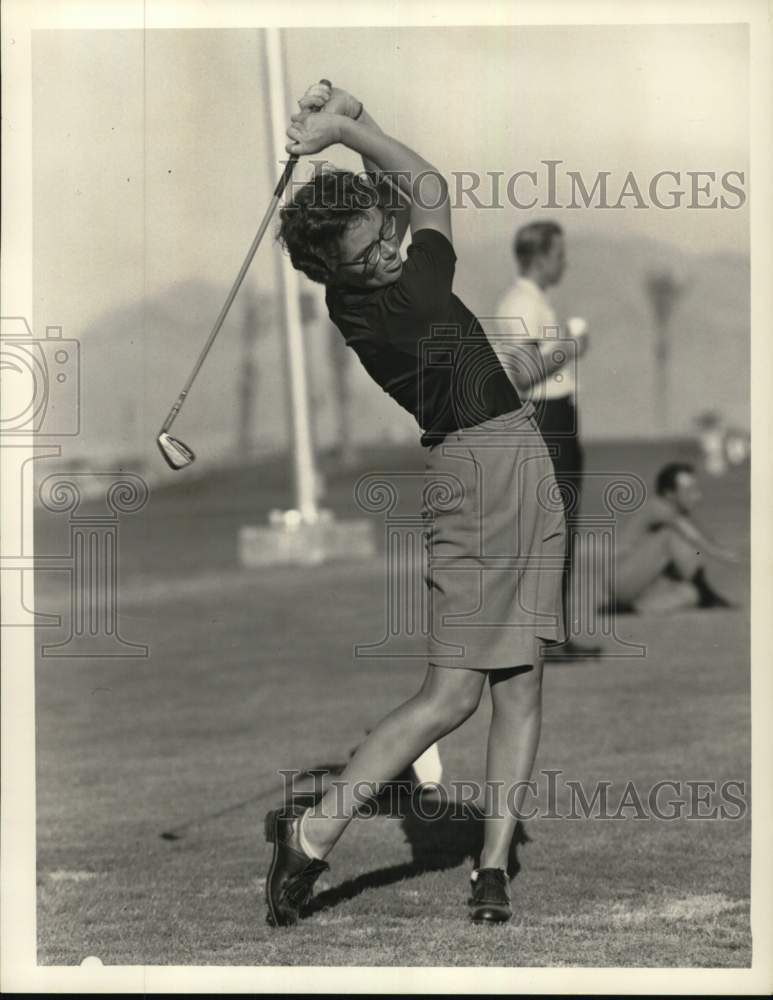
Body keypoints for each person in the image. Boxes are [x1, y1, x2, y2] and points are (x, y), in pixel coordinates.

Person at [262, 81, 567, 927]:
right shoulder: (405, 301)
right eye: (366, 257)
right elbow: (426, 184)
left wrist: (350, 127)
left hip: (520, 458)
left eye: (385, 241)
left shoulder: (358, 282)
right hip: (476, 475)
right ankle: (311, 835)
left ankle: (492, 867)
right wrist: (349, 131)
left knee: (523, 682)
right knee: (453, 695)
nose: (389, 255)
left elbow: (393, 198)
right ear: (335, 273)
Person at [494, 222, 599, 660]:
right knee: (550, 531)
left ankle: (551, 635)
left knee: (557, 528)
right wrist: (571, 347)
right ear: (540, 257)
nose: (565, 262)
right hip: (545, 418)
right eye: (559, 254)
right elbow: (522, 372)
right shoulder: (521, 303)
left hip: (557, 416)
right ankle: (544, 638)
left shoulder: (536, 303)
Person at [609, 462, 737, 613]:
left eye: (695, 489)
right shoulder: (658, 506)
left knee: (691, 594)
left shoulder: (673, 514)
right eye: (688, 490)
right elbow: (692, 535)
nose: (696, 495)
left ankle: (631, 608)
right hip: (622, 575)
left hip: (636, 581)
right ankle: (706, 592)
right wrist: (721, 554)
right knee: (670, 537)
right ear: (669, 493)